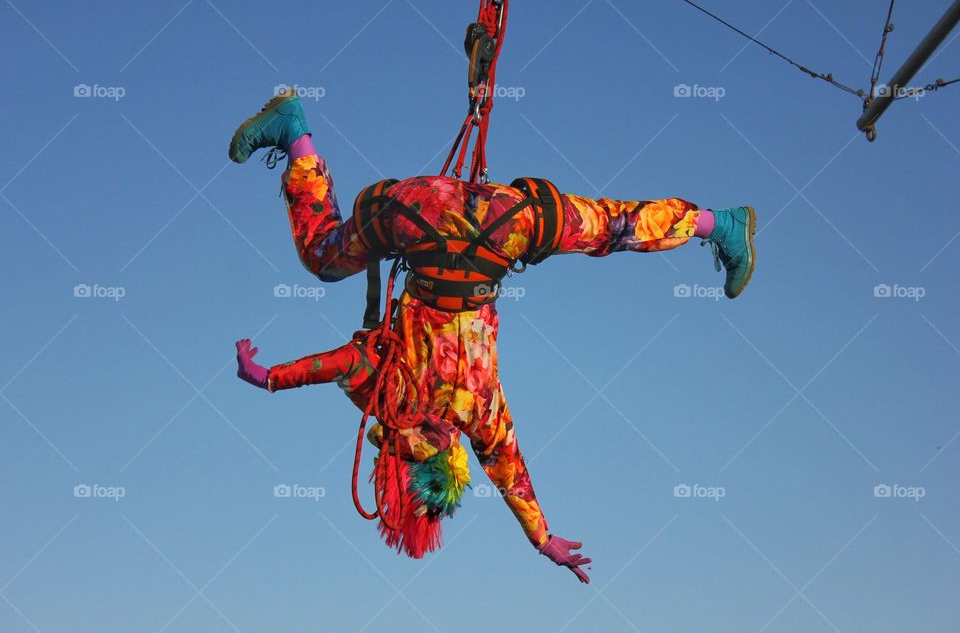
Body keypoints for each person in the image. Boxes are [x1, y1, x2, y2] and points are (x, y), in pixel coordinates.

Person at [229, 88, 757, 583]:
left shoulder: (463, 413)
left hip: (490, 225)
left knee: (610, 227)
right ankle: (295, 131)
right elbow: (349, 365)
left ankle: (719, 223)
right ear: (436, 455)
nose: (417, 443)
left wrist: (542, 537)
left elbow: (510, 474)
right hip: (435, 217)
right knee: (324, 254)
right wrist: (272, 378)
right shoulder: (424, 407)